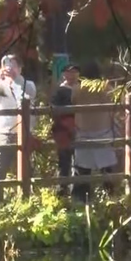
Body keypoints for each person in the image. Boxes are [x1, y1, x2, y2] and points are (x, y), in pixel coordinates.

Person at [0, 54, 36, 199]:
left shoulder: (28, 84)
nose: (9, 68)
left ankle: (25, 201)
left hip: (24, 132)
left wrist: (13, 80)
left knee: (25, 170)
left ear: (20, 68)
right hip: (3, 132)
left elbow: (27, 97)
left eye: (13, 65)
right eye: (6, 64)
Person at [71, 61, 118, 201]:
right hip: (102, 129)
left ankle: (82, 198)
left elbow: (73, 101)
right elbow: (114, 101)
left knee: (83, 168)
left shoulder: (77, 89)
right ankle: (111, 197)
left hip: (83, 130)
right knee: (107, 167)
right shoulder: (105, 88)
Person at [50, 64, 80, 197]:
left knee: (79, 162)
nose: (72, 75)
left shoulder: (83, 89)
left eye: (75, 72)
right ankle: (62, 191)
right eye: (69, 72)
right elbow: (54, 110)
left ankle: (77, 192)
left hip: (81, 128)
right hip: (63, 130)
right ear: (64, 74)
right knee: (64, 162)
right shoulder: (59, 91)